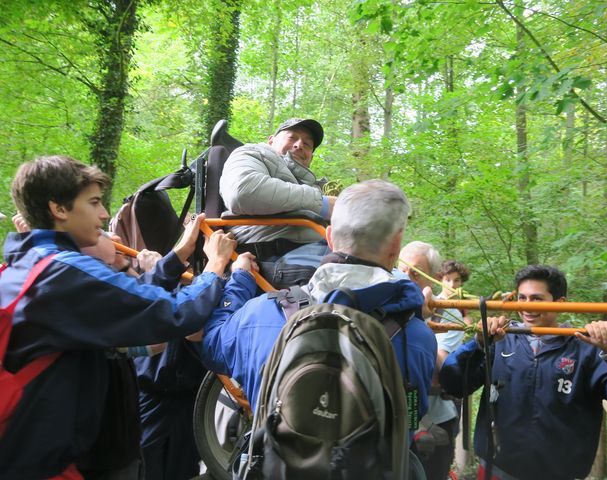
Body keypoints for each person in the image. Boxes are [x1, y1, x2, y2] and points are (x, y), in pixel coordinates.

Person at [0, 155, 236, 480]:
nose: (104, 214)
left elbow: (127, 298)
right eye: (94, 202)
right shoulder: (65, 273)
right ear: (60, 209)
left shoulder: (33, 265)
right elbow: (173, 313)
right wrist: (215, 266)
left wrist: (178, 256)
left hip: (34, 449)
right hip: (62, 462)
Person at [201, 180, 437, 420]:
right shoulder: (417, 339)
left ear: (329, 236)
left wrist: (240, 278)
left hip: (276, 456)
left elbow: (212, 344)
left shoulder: (258, 315)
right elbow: (410, 419)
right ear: (396, 245)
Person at [439, 265, 607, 480]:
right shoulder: (500, 341)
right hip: (496, 469)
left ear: (560, 303)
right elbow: (452, 383)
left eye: (536, 298)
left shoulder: (586, 351)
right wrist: (477, 344)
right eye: (522, 298)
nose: (527, 307)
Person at [219, 118, 337, 286]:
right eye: (292, 137)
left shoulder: (314, 185)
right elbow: (242, 192)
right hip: (268, 256)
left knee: (374, 268)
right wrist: (323, 204)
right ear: (271, 140)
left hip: (318, 249)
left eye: (307, 144)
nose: (299, 145)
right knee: (358, 274)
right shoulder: (251, 153)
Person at [399, 246, 464, 480]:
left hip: (435, 419)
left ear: (433, 280)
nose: (405, 278)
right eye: (401, 270)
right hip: (395, 420)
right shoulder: (385, 309)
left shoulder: (448, 313)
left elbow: (439, 366)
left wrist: (418, 319)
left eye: (415, 274)